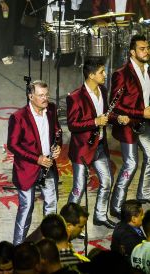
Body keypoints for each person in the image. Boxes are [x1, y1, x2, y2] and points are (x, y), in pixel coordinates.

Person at [66, 57, 124, 229]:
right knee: (79, 189)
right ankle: (69, 223)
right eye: (101, 72)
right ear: (91, 75)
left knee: (107, 181)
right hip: (83, 150)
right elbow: (72, 125)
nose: (105, 74)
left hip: (99, 146)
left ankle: (100, 215)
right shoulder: (75, 97)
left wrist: (117, 118)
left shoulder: (103, 91)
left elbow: (105, 115)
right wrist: (95, 122)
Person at [7, 80, 62, 245]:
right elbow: (13, 145)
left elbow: (57, 130)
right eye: (41, 95)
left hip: (49, 165)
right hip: (27, 169)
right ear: (30, 96)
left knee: (51, 205)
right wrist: (37, 159)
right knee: (26, 208)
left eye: (46, 94)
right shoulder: (18, 117)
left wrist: (58, 145)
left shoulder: (51, 109)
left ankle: (49, 244)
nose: (45, 99)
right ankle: (18, 246)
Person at [110, 35, 150, 218]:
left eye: (147, 48)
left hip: (145, 124)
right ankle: (116, 205)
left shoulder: (149, 70)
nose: (146, 51)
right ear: (132, 52)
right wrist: (141, 112)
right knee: (131, 164)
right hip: (128, 126)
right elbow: (115, 105)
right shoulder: (121, 74)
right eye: (142, 48)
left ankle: (143, 193)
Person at [0, 0, 17, 65]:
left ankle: (6, 52)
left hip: (9, 3)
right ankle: (1, 55)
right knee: (1, 28)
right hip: (1, 3)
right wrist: (2, 2)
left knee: (8, 28)